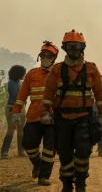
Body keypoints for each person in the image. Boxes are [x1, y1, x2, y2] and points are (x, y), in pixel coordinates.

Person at [40, 29, 102, 192]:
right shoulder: (57, 70)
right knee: (65, 154)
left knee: (84, 151)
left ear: (82, 48)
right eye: (70, 46)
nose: (74, 50)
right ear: (65, 48)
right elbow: (48, 94)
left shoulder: (91, 69)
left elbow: (99, 94)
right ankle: (67, 184)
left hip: (84, 118)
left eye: (77, 46)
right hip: (62, 118)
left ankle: (81, 183)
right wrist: (44, 112)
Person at [12, 41, 59, 185]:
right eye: (43, 55)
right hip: (33, 117)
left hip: (53, 118)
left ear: (54, 58)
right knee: (28, 144)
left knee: (50, 148)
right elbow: (22, 95)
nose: (45, 57)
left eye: (48, 55)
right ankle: (37, 165)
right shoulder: (32, 74)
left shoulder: (59, 74)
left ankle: (44, 176)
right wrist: (16, 112)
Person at [0, 65, 26, 159]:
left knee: (21, 129)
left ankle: (21, 151)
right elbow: (16, 95)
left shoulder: (19, 83)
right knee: (11, 129)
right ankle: (4, 152)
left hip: (21, 107)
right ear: (18, 74)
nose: (24, 75)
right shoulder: (11, 83)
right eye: (23, 73)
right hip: (12, 108)